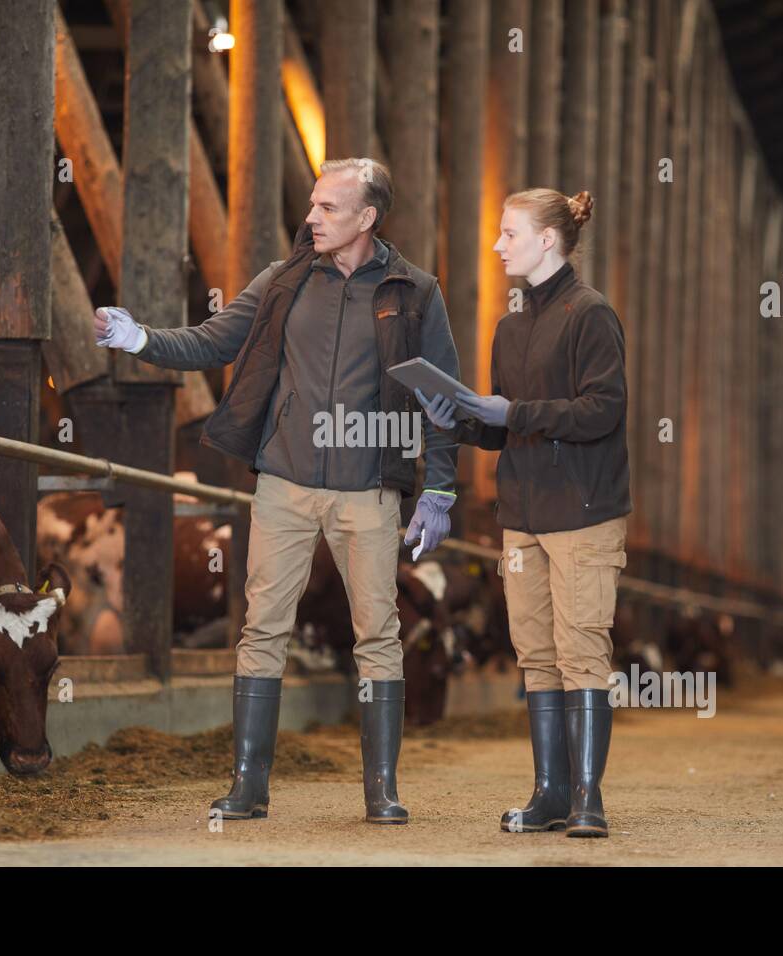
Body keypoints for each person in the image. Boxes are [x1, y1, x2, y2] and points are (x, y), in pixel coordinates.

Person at [93, 158, 461, 825]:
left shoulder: (415, 294)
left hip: (368, 491)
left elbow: (441, 399)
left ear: (367, 218)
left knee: (377, 634)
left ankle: (381, 790)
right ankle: (248, 786)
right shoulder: (284, 280)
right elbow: (213, 341)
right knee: (262, 629)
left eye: (328, 208)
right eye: (313, 205)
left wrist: (439, 489)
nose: (312, 216)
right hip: (284, 485)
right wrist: (139, 336)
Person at [416, 187, 631, 837]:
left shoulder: (592, 315)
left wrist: (514, 413)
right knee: (535, 654)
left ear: (547, 240)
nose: (496, 245)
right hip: (523, 515)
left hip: (585, 511)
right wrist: (459, 419)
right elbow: (505, 430)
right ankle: (549, 794)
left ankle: (588, 799)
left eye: (509, 234)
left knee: (582, 652)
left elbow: (604, 410)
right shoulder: (510, 329)